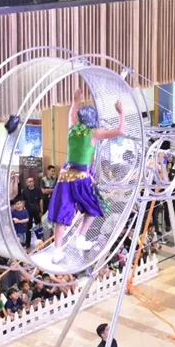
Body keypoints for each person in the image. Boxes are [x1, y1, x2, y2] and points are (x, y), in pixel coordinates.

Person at [47, 89, 126, 262]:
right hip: (81, 177)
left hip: (64, 177)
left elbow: (71, 115)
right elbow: (120, 132)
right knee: (95, 206)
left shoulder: (72, 129)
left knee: (62, 213)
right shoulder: (94, 133)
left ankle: (57, 250)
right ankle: (80, 237)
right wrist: (121, 113)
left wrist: (76, 101)